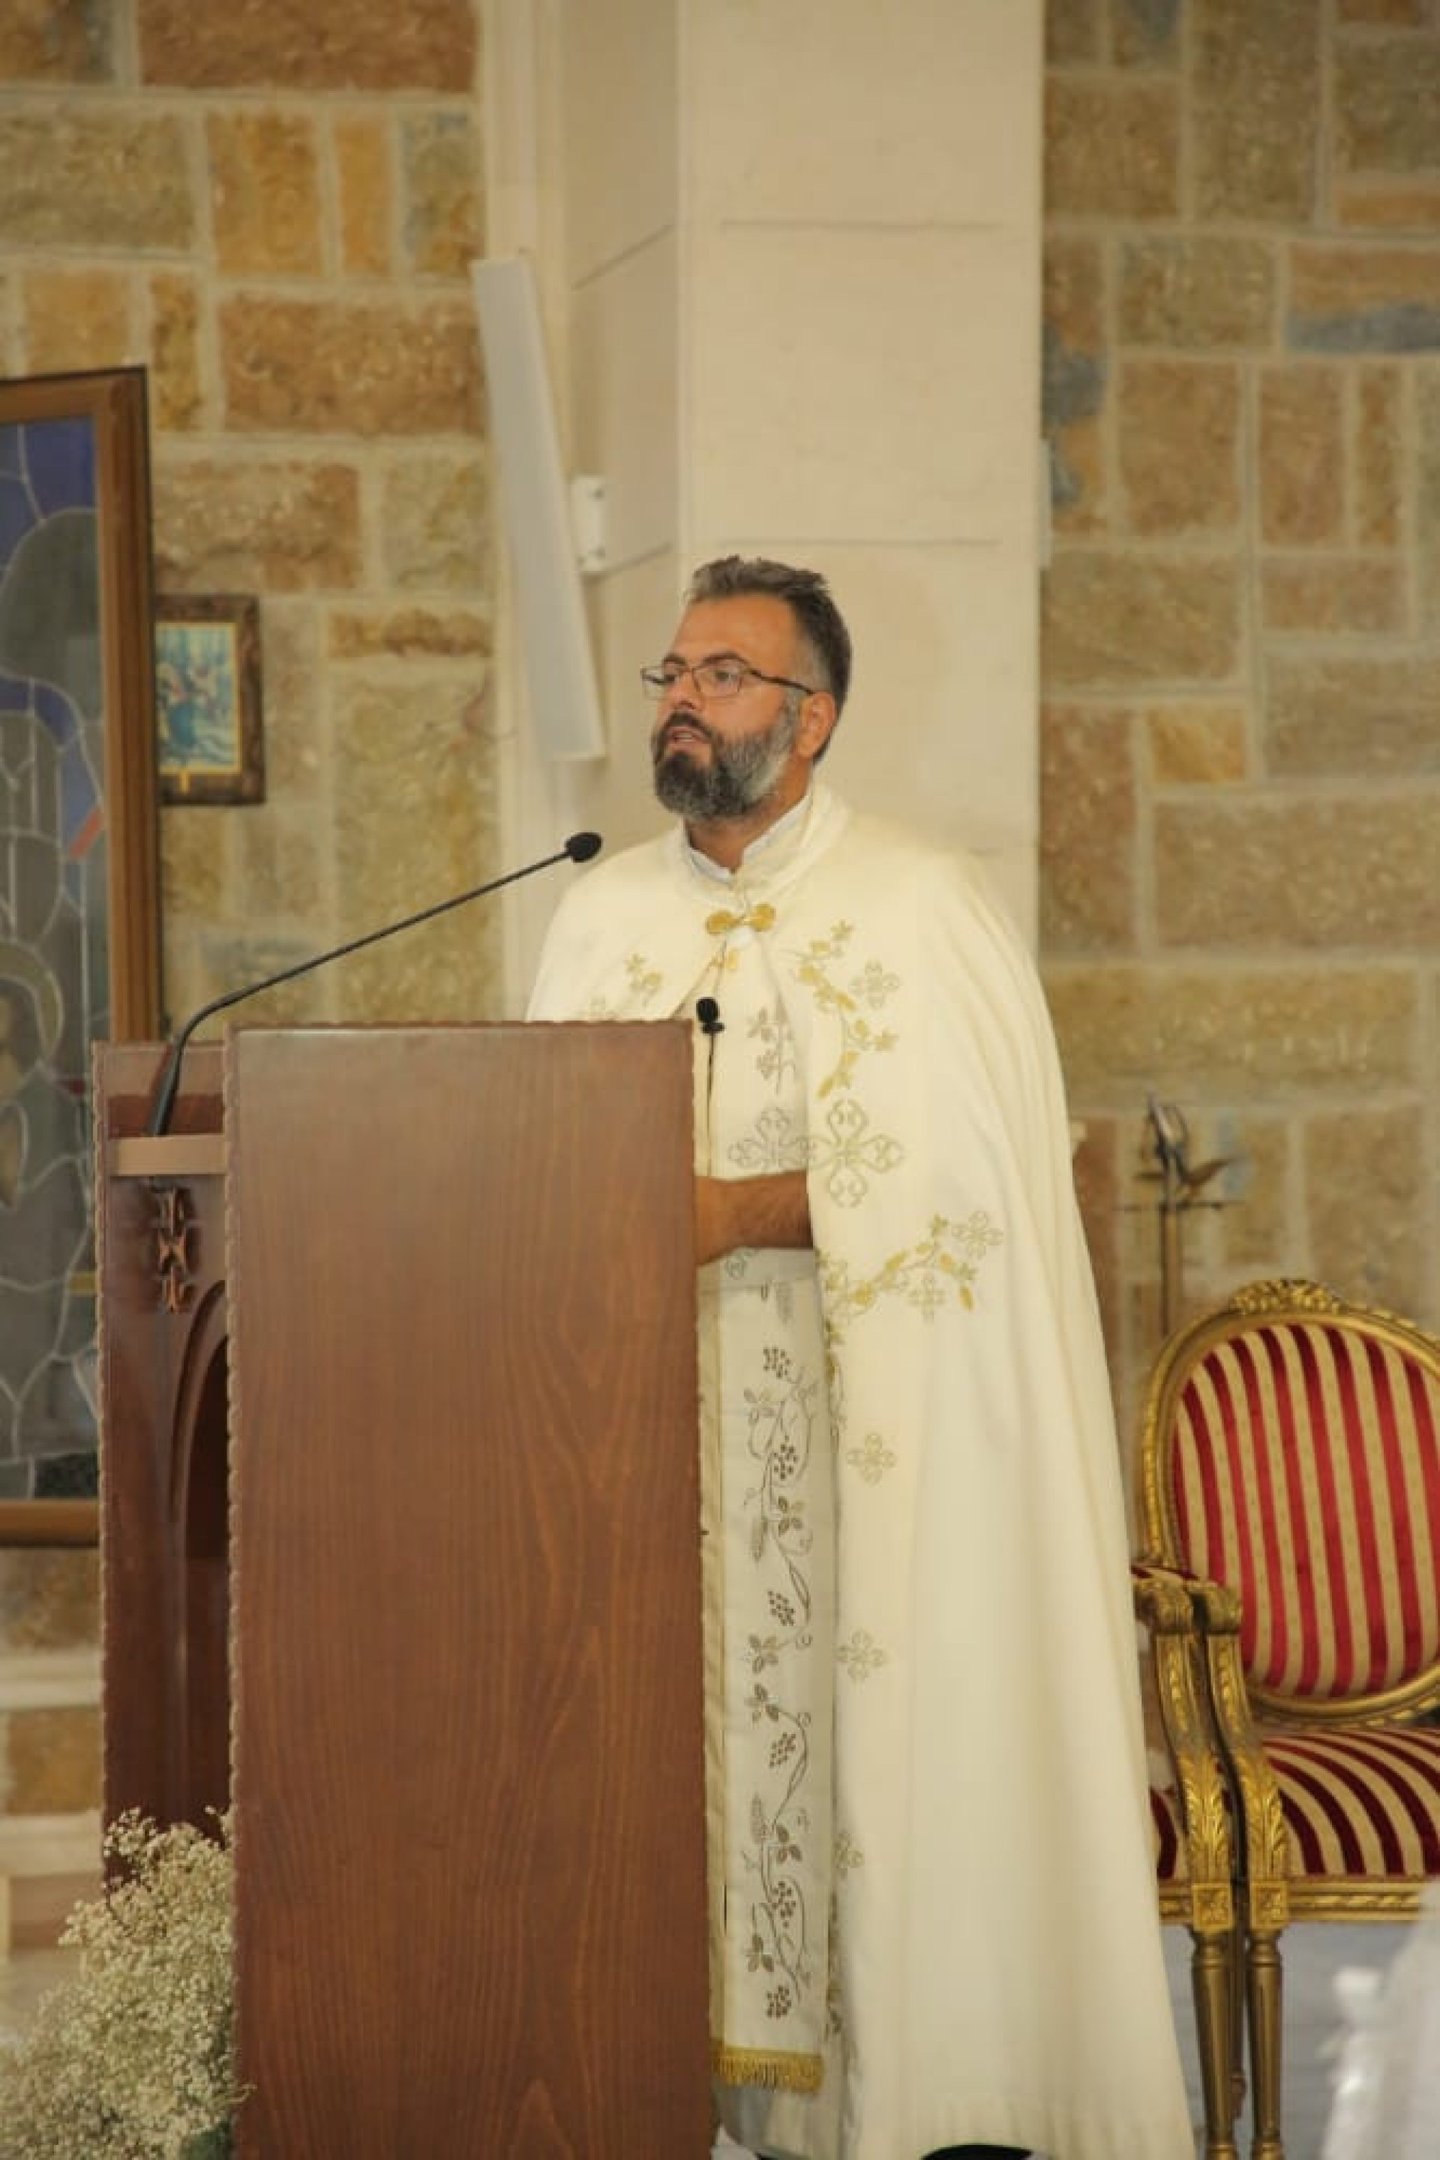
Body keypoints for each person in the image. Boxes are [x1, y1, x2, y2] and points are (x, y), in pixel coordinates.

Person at [527, 557, 1193, 2160]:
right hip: (650, 1455)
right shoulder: (599, 909)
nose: (683, 698)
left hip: (866, 1446)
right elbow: (525, 1166)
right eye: (671, 673)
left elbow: (975, 1198)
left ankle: (904, 2105)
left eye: (725, 676)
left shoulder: (920, 904)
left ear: (811, 718)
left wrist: (727, 1211)